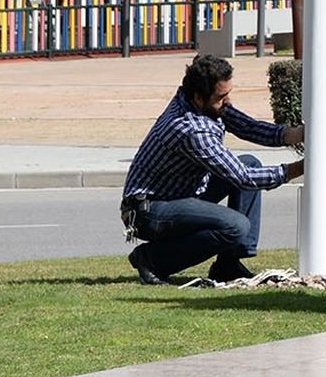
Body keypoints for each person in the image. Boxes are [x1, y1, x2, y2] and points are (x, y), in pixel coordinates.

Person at [120, 53, 303, 285]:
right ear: (198, 98)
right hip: (149, 211)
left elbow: (246, 126)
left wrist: (292, 135)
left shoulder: (201, 101)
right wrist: (300, 168)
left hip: (179, 195)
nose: (228, 101)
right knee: (236, 225)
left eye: (228, 93)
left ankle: (228, 264)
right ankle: (152, 259)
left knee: (251, 162)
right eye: (221, 96)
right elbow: (243, 178)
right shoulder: (191, 129)